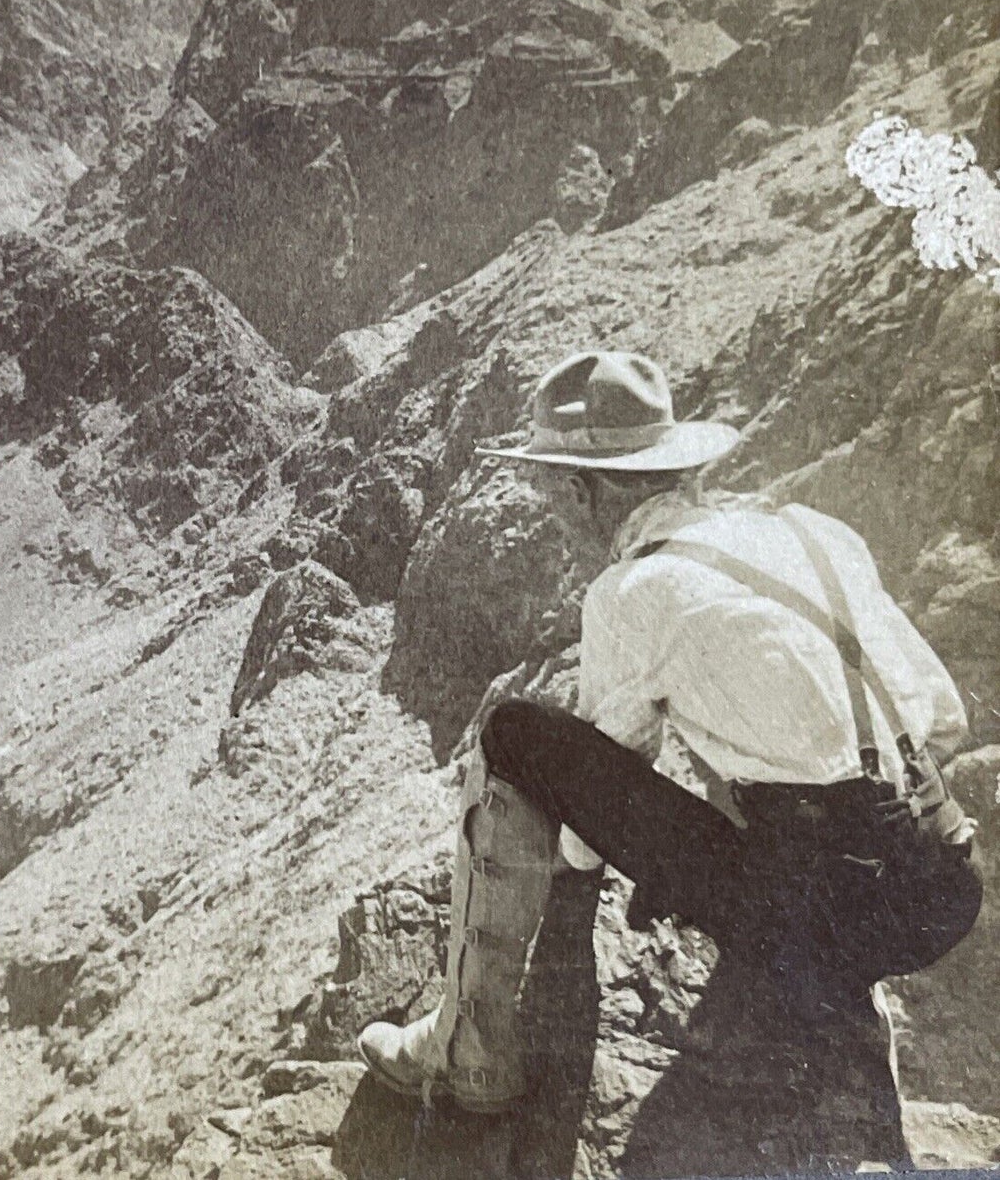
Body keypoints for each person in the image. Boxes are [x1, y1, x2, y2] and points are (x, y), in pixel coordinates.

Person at [357, 350, 982, 1113]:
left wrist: (594, 861)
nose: (553, 509)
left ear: (584, 491)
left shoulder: (632, 589)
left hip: (829, 913)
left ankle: (466, 1052)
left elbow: (597, 804)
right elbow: (944, 716)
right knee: (798, 810)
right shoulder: (811, 530)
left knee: (514, 732)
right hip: (945, 886)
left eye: (555, 488)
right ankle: (826, 995)